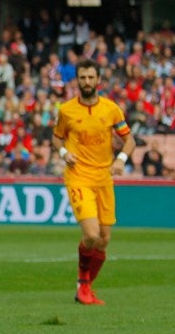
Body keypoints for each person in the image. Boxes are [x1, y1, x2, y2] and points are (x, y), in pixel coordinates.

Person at [51, 58, 134, 306]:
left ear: (98, 80)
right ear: (77, 80)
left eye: (91, 77)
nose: (87, 82)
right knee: (91, 233)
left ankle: (86, 286)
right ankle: (83, 283)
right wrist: (65, 153)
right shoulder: (66, 110)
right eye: (82, 77)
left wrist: (120, 159)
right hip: (78, 175)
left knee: (104, 239)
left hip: (104, 176)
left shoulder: (111, 109)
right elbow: (56, 139)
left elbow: (129, 140)